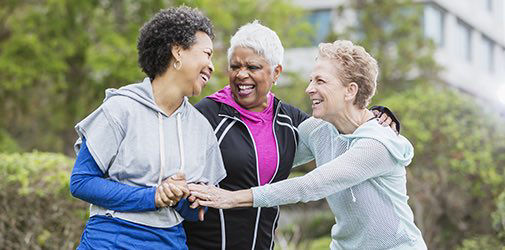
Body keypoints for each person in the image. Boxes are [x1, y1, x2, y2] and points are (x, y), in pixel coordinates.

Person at [189, 40, 427, 250]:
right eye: (311, 80)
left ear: (350, 90)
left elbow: (311, 185)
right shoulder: (319, 128)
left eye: (320, 81)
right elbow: (271, 154)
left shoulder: (378, 143)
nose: (309, 88)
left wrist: (230, 198)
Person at [69, 7, 226, 249]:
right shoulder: (120, 109)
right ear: (177, 51)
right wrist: (153, 196)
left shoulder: (201, 128)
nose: (211, 66)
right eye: (207, 54)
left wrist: (187, 198)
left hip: (169, 242)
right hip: (111, 240)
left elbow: (196, 214)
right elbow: (82, 181)